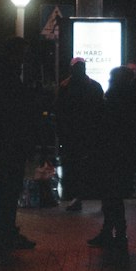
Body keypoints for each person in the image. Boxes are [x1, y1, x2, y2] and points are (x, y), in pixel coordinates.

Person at [0, 36, 40, 251]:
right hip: (12, 139)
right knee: (10, 186)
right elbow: (18, 110)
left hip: (4, 139)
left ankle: (3, 230)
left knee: (6, 185)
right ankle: (5, 232)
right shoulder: (10, 78)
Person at [87, 66, 136, 264]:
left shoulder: (114, 98)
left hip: (112, 154)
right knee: (114, 195)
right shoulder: (132, 97)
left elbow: (103, 123)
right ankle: (115, 233)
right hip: (124, 155)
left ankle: (115, 233)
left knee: (111, 195)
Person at [55, 57, 104, 212]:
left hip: (72, 133)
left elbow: (59, 111)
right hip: (88, 132)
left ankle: (75, 195)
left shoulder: (65, 87)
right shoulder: (94, 86)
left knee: (72, 166)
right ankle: (87, 194)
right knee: (88, 165)